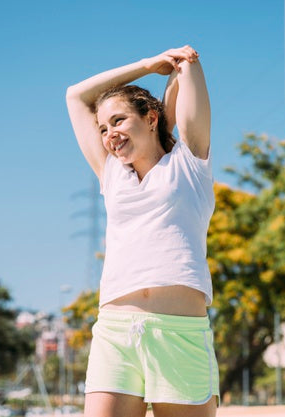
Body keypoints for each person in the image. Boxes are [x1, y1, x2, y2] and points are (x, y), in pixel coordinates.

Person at [66, 45, 218, 417]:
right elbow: (76, 96)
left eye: (118, 121)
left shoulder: (190, 164)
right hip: (116, 333)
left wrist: (180, 65)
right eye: (103, 127)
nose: (108, 134)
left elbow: (187, 67)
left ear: (151, 118)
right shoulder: (112, 174)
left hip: (180, 334)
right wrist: (146, 66)